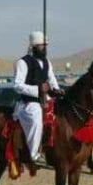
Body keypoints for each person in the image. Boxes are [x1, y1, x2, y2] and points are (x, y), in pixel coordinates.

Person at [12, 31, 61, 165]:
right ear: (33, 46)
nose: (44, 48)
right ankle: (34, 155)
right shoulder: (22, 62)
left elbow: (52, 80)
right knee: (36, 118)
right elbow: (17, 85)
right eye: (41, 46)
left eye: (45, 46)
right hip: (28, 103)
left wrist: (57, 90)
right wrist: (37, 90)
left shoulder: (47, 62)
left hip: (46, 99)